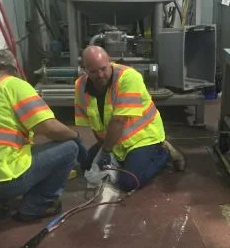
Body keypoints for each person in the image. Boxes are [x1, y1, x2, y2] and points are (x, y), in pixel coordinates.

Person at [0, 49, 87, 221]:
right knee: (69, 148)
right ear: (14, 70)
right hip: (3, 179)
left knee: (24, 151)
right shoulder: (14, 85)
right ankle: (36, 206)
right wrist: (75, 136)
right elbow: (50, 128)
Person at [74, 45, 185, 192]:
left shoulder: (128, 77)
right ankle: (124, 159)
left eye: (103, 69)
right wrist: (103, 146)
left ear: (110, 62)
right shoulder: (81, 86)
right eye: (93, 72)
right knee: (86, 165)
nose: (100, 75)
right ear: (85, 70)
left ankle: (164, 151)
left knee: (128, 182)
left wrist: (106, 152)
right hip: (115, 141)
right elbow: (92, 124)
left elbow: (118, 120)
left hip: (142, 138)